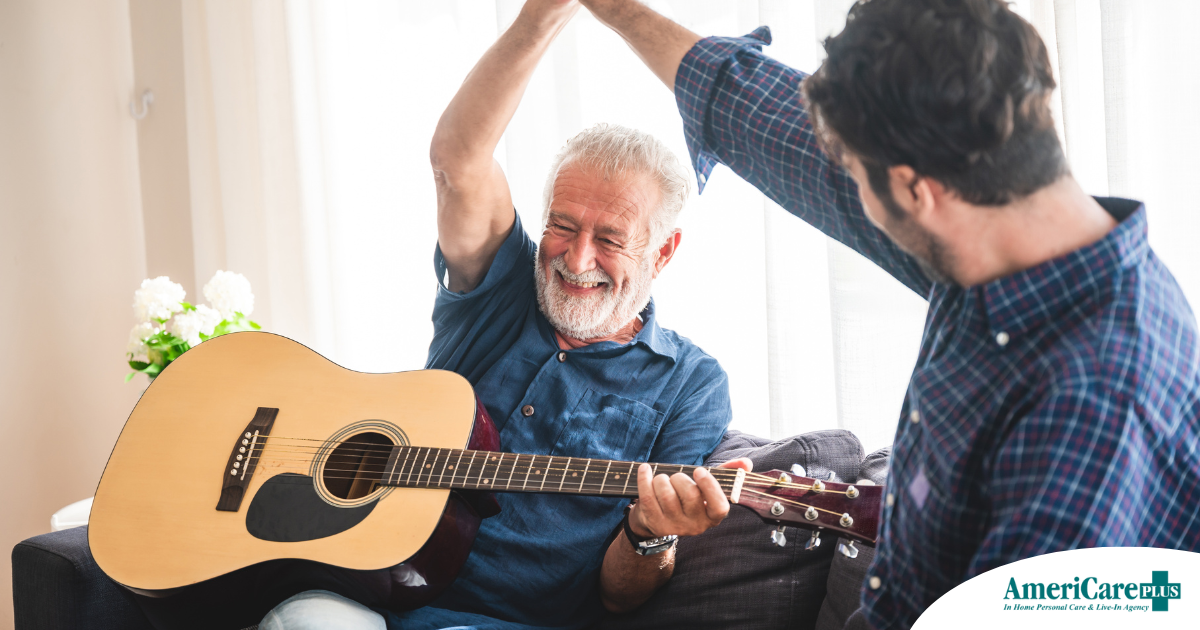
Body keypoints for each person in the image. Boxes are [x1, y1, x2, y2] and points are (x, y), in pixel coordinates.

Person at [579, 0, 1200, 627]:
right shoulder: (996, 216)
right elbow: (762, 117)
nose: (847, 189)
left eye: (857, 175)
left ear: (914, 191)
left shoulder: (1091, 408)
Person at [260, 2, 750, 629]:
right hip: (356, 591)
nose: (576, 259)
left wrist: (652, 533)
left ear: (663, 250)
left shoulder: (691, 382)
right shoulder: (503, 285)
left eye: (610, 239)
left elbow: (621, 597)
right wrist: (541, 17)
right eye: (562, 226)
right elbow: (457, 163)